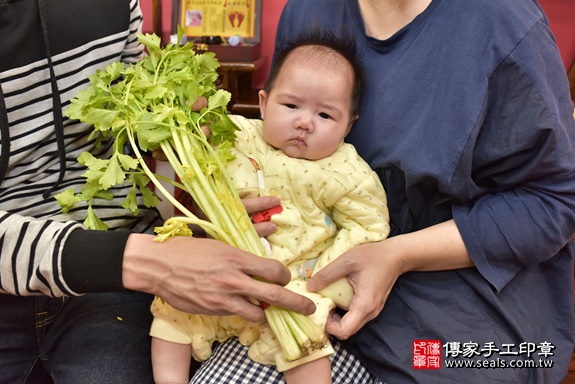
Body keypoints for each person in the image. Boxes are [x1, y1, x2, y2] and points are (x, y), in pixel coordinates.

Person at [189, 0, 575, 383]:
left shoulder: (502, 23)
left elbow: (553, 201)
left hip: (464, 303)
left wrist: (397, 254)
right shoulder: (306, 11)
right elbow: (280, 155)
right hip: (314, 281)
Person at [0, 1, 314, 383]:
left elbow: (130, 137)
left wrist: (199, 214)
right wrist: (147, 261)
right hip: (99, 266)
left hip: (113, 285)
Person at [150, 33, 390, 384]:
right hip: (224, 272)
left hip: (294, 282)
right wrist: (182, 128)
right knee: (172, 310)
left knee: (305, 340)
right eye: (291, 106)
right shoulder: (238, 135)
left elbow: (367, 228)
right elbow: (193, 149)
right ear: (263, 103)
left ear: (348, 126)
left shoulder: (346, 171)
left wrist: (321, 283)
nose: (305, 122)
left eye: (325, 114)